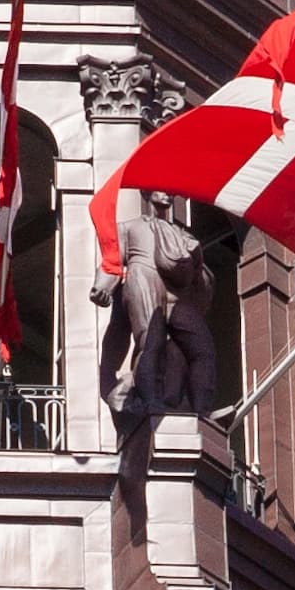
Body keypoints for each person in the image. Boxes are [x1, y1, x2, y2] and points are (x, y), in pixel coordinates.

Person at [99, 184, 220, 461]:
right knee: (150, 341)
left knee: (202, 349)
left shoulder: (182, 235)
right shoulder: (129, 227)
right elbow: (112, 261)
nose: (167, 194)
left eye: (170, 191)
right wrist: (103, 286)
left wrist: (197, 256)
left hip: (178, 294)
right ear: (146, 193)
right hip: (142, 276)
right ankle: (150, 400)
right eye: (160, 189)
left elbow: (198, 274)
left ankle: (202, 409)